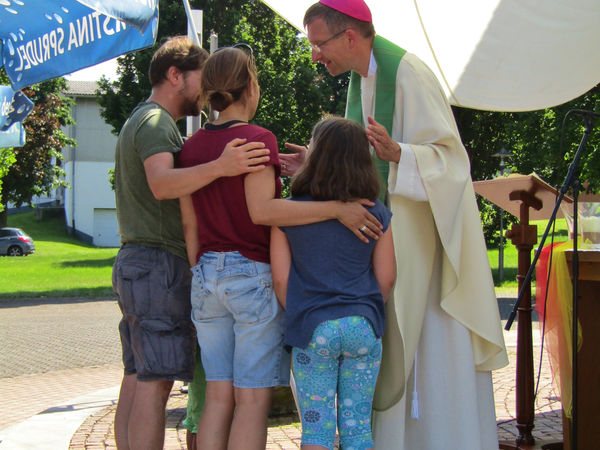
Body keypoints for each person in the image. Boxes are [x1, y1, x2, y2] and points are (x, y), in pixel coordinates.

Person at [281, 1, 509, 449]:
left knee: (427, 359)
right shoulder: (360, 81)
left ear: (350, 37)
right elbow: (359, 169)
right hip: (376, 252)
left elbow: (452, 162)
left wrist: (401, 154)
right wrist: (314, 165)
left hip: (421, 257)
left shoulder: (408, 74)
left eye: (318, 44)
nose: (314, 55)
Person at [177, 45, 385, 450]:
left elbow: (190, 223)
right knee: (252, 399)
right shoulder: (257, 138)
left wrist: (202, 272)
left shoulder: (192, 148)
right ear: (250, 86)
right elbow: (263, 211)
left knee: (217, 396)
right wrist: (337, 208)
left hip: (204, 276)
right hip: (249, 276)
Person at [111, 35, 274, 450]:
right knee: (157, 381)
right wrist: (222, 165)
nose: (205, 92)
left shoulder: (158, 127)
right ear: (174, 75)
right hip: (159, 262)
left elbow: (187, 212)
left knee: (139, 375)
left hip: (148, 263)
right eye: (200, 80)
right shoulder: (155, 123)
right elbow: (163, 184)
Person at [270, 117, 396, 450]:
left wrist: (300, 311)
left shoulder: (288, 214)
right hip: (363, 327)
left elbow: (280, 279)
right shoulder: (377, 213)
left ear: (315, 158)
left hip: (313, 328)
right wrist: (365, 308)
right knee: (357, 431)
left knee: (317, 431)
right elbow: (387, 276)